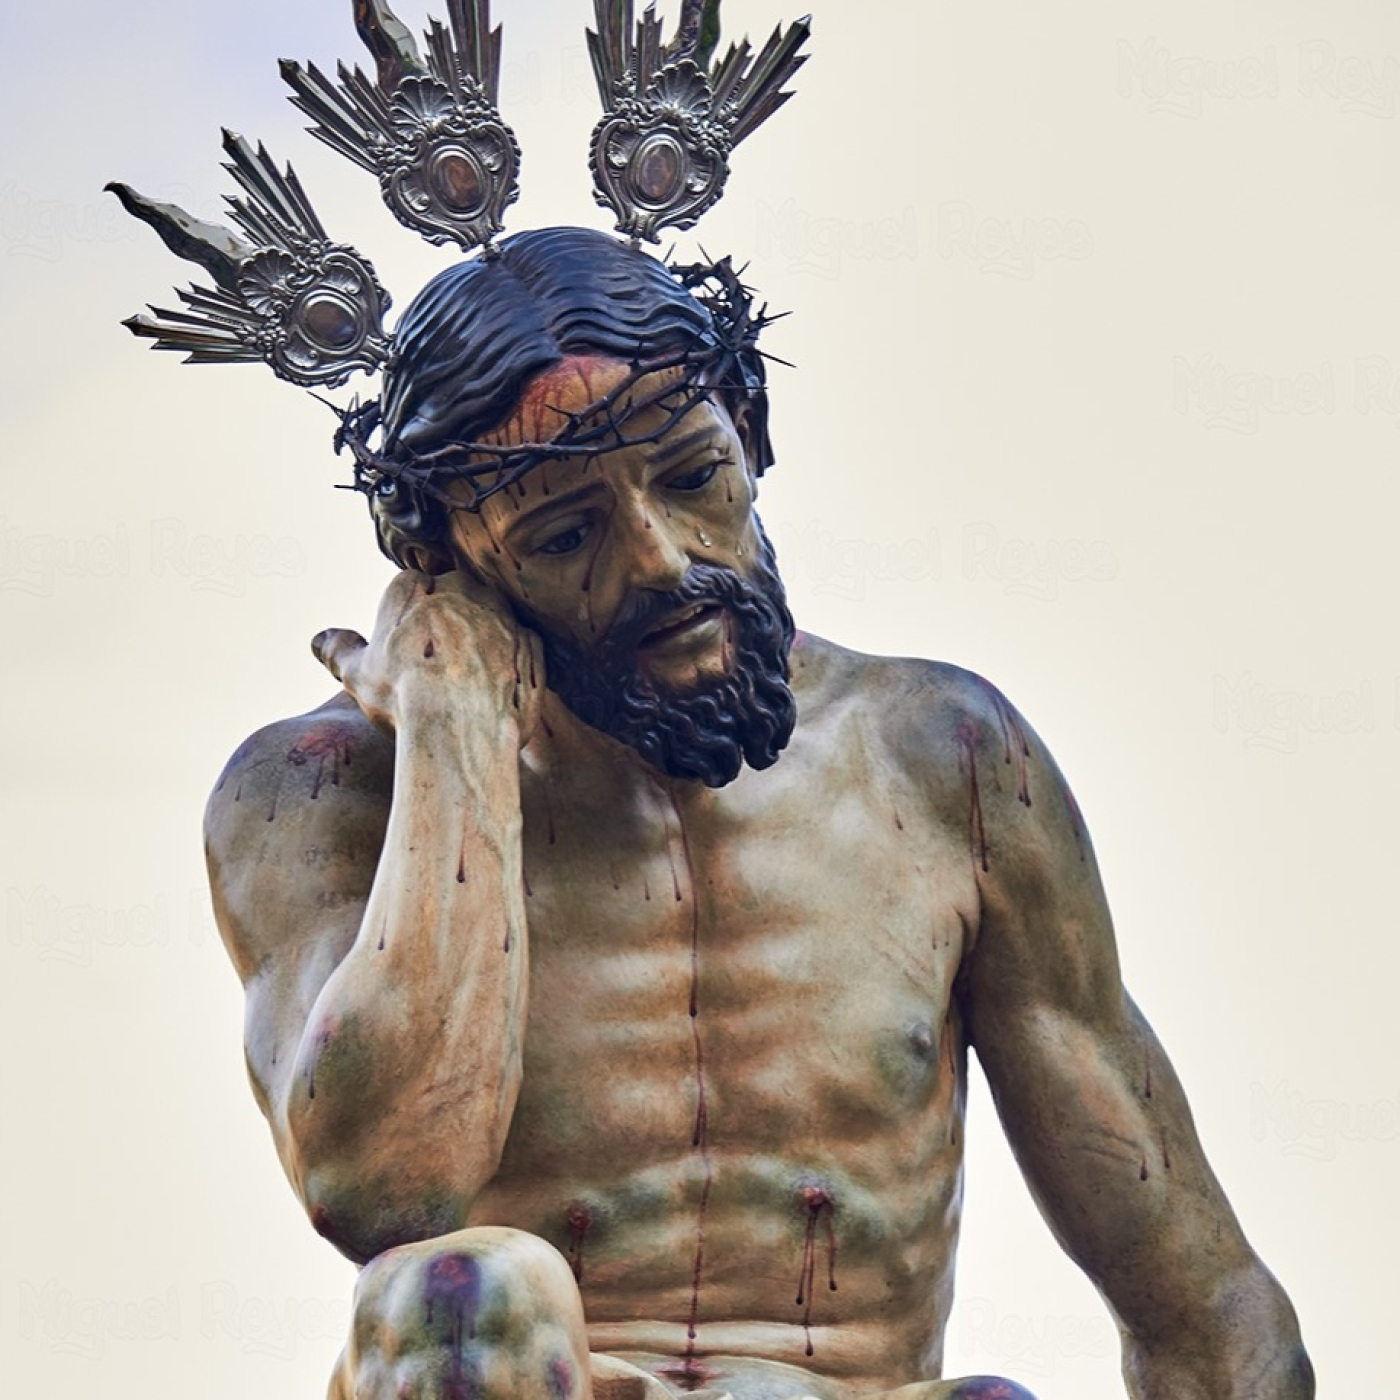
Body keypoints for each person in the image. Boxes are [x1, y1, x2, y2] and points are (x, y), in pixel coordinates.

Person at [204, 228, 1314, 1400]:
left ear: (750, 428)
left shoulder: (943, 762)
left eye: (693, 478)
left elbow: (1204, 1299)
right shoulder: (323, 792)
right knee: (457, 1290)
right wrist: (454, 732)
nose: (659, 559)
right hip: (529, 1374)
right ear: (450, 565)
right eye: (564, 534)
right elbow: (380, 1187)